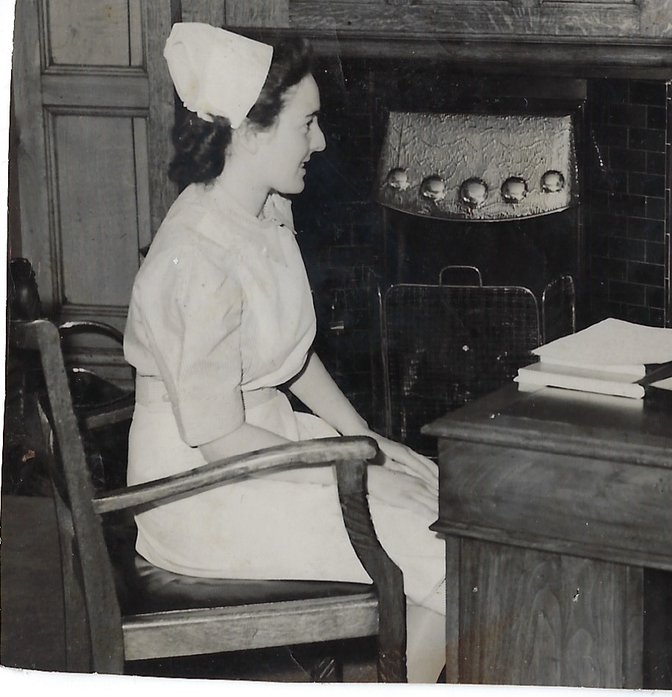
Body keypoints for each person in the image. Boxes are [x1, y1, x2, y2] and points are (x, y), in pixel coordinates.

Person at [123, 24, 446, 681]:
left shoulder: (263, 208)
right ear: (250, 131)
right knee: (442, 552)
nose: (320, 142)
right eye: (308, 124)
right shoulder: (200, 256)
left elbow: (288, 357)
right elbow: (215, 438)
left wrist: (367, 440)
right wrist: (342, 467)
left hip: (265, 449)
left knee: (441, 500)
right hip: (200, 493)